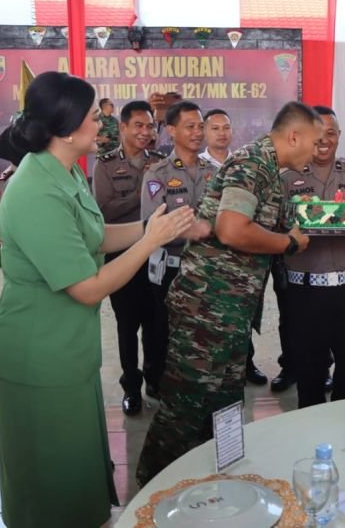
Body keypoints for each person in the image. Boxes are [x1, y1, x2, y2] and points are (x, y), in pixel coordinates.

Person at [0, 72, 198, 527]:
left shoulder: (63, 173)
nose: (101, 124)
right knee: (48, 480)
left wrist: (156, 227)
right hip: (34, 352)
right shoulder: (35, 190)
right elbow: (87, 287)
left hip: (65, 349)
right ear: (65, 128)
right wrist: (150, 242)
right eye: (91, 116)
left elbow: (96, 237)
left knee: (75, 470)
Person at [136, 102, 320, 485]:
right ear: (294, 136)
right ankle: (154, 486)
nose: (317, 150)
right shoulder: (253, 164)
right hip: (207, 306)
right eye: (315, 142)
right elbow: (232, 229)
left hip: (228, 306)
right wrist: (287, 242)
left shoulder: (268, 168)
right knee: (187, 403)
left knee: (224, 401)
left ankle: (213, 479)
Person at [281, 106, 345, 408]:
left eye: (331, 133)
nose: (324, 140)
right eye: (318, 133)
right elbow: (272, 224)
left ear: (338, 137)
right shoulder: (285, 176)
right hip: (305, 291)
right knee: (308, 375)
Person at [92, 100, 165, 415]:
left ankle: (154, 379)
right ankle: (131, 386)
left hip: (156, 252)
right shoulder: (106, 164)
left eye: (150, 125)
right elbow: (104, 209)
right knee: (126, 324)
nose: (145, 132)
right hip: (121, 254)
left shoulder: (162, 160)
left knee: (156, 321)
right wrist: (143, 191)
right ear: (122, 127)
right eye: (138, 125)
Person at [140, 100, 211, 399]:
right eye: (190, 126)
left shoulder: (214, 172)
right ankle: (159, 385)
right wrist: (196, 228)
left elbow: (223, 216)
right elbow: (152, 225)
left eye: (200, 126)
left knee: (202, 333)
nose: (198, 132)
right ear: (171, 131)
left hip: (207, 268)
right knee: (162, 332)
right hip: (169, 267)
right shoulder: (157, 173)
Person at [201, 108, 268, 385]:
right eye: (215, 128)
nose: (221, 133)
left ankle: (246, 363)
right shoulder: (198, 165)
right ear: (205, 132)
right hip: (210, 259)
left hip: (244, 256)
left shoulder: (244, 163)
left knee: (245, 313)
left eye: (226, 127)